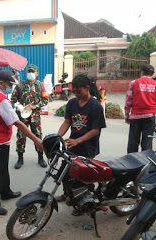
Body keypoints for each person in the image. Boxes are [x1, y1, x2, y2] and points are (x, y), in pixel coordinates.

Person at [0, 70, 43, 215]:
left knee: (2, 166)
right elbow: (19, 124)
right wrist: (36, 140)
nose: (11, 87)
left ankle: (5, 191)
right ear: (1, 83)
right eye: (9, 84)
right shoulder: (1, 100)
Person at [55, 74, 106, 213]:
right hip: (72, 145)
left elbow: (95, 130)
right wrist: (57, 137)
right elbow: (67, 122)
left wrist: (78, 140)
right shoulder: (72, 103)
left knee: (83, 178)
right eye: (74, 91)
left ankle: (84, 203)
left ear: (87, 88)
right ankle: (68, 194)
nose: (76, 94)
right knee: (65, 172)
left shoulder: (95, 106)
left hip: (87, 147)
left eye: (79, 91)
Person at [10, 64, 49, 169]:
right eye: (29, 72)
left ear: (37, 73)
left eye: (33, 72)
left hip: (35, 116)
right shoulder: (20, 85)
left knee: (38, 136)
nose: (30, 74)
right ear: (26, 73)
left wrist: (35, 106)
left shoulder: (40, 86)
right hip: (22, 117)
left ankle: (40, 158)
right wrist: (19, 107)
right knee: (21, 137)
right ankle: (20, 159)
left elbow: (45, 100)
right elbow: (13, 100)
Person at [125, 64, 156, 153]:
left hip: (135, 116)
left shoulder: (134, 83)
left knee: (133, 142)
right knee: (147, 141)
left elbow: (128, 101)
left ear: (142, 72)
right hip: (150, 116)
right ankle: (146, 161)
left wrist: (127, 115)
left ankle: (131, 162)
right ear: (152, 73)